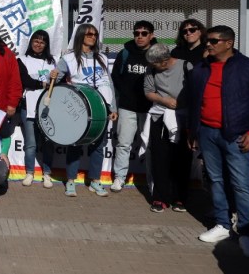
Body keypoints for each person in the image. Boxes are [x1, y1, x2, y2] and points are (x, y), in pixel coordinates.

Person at [188, 25, 249, 259]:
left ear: (229, 43)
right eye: (207, 40)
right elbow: (194, 103)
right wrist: (193, 132)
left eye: (214, 41)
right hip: (207, 133)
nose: (208, 44)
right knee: (215, 180)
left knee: (240, 184)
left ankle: (246, 232)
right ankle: (222, 225)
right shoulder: (201, 69)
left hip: (237, 135)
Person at [49, 24, 118, 197]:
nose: (92, 37)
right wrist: (53, 76)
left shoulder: (101, 57)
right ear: (81, 35)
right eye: (89, 34)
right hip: (80, 106)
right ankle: (71, 181)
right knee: (75, 144)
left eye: (94, 34)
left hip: (101, 107)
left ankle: (95, 181)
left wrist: (113, 106)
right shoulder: (69, 58)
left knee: (99, 146)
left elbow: (109, 83)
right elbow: (56, 81)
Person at [109, 20, 157, 193]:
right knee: (123, 144)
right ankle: (119, 178)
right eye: (136, 33)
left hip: (151, 108)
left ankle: (153, 183)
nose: (140, 37)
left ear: (151, 35)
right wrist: (116, 104)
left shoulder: (158, 54)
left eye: (144, 33)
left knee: (151, 146)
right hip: (127, 107)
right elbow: (114, 80)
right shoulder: (125, 53)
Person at [143, 43, 191, 213]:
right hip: (160, 116)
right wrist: (165, 101)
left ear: (164, 61)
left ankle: (180, 198)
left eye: (155, 64)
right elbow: (149, 91)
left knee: (182, 159)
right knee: (159, 158)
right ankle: (160, 197)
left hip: (182, 118)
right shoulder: (151, 70)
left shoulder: (186, 66)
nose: (152, 67)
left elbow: (194, 90)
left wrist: (181, 104)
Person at [16, 29, 55, 188]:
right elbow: (26, 81)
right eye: (36, 41)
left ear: (46, 45)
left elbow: (57, 82)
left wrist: (54, 78)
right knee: (31, 143)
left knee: (48, 142)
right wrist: (43, 84)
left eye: (42, 42)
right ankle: (29, 173)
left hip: (48, 108)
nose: (38, 44)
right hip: (29, 106)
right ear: (31, 42)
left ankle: (47, 174)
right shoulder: (22, 60)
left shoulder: (53, 62)